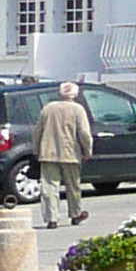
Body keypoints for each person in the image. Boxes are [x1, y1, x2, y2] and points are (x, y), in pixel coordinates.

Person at [31, 82, 95, 229]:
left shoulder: (48, 108)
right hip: (70, 153)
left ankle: (51, 218)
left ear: (59, 94)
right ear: (76, 95)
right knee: (73, 186)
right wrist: (87, 151)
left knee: (49, 187)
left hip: (48, 152)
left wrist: (36, 150)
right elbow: (84, 133)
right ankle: (75, 214)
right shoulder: (78, 109)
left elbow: (37, 132)